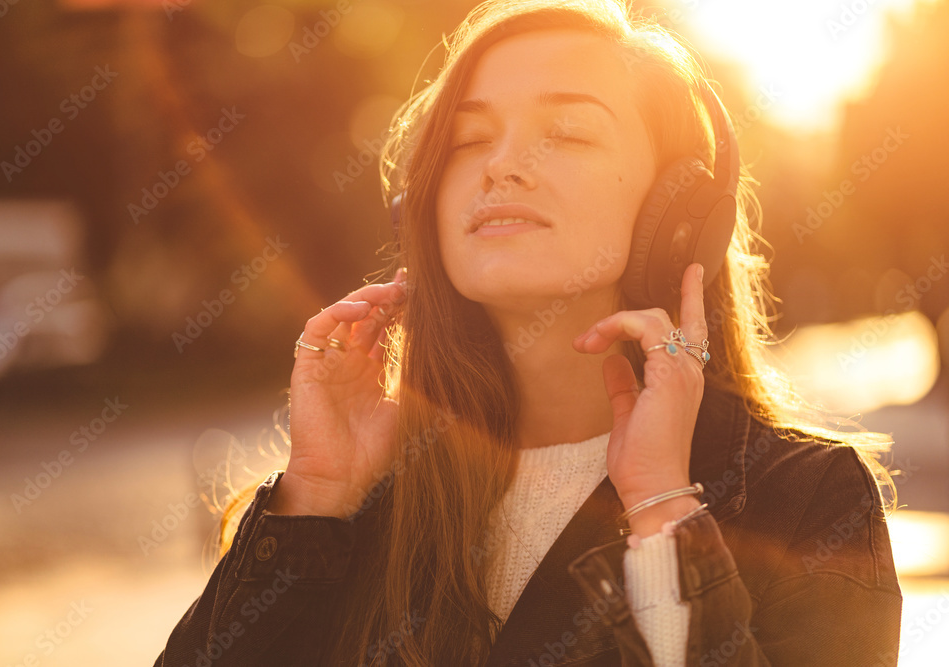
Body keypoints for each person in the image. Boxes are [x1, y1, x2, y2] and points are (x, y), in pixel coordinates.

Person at [154, 0, 903, 665]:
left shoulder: (804, 500)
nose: (502, 166)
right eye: (469, 141)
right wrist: (318, 497)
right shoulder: (358, 498)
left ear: (680, 214)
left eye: (569, 133)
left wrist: (664, 518)